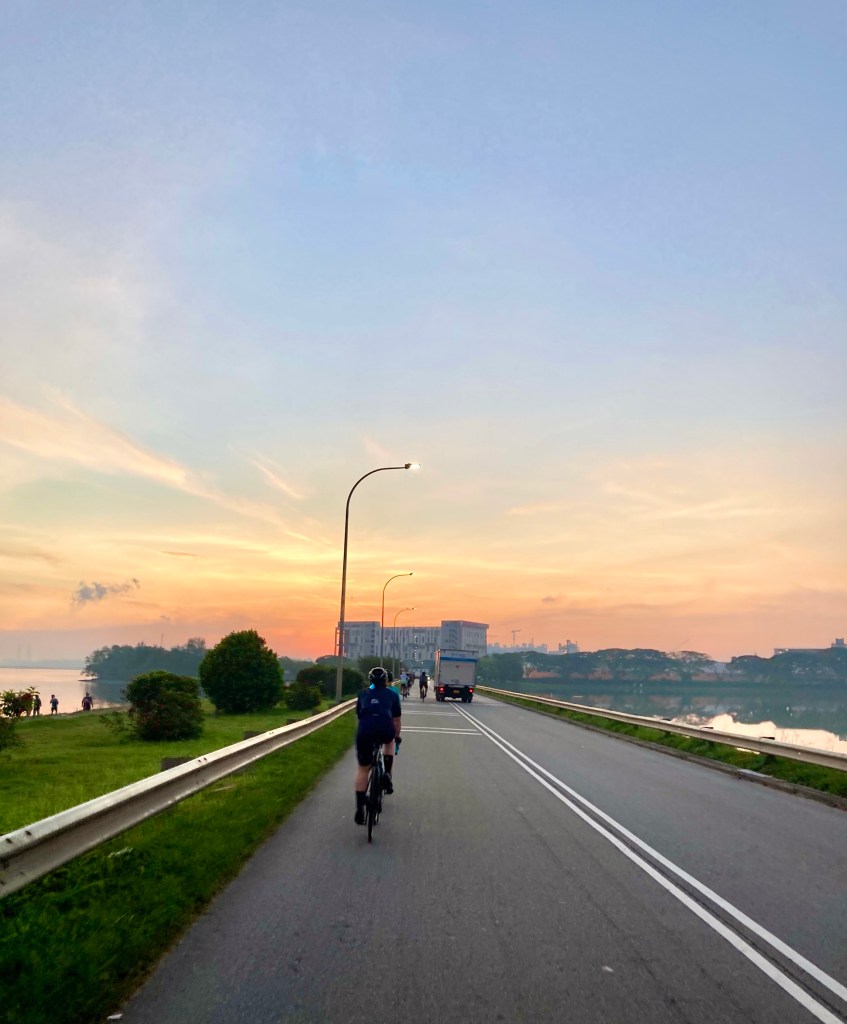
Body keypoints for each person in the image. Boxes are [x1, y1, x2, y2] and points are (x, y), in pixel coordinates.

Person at [353, 666, 401, 825]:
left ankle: (360, 809)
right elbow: (396, 720)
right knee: (390, 742)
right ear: (386, 680)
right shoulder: (392, 695)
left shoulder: (363, 694)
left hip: (365, 730)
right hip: (385, 728)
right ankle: (387, 774)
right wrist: (397, 736)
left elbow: (360, 716)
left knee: (363, 768)